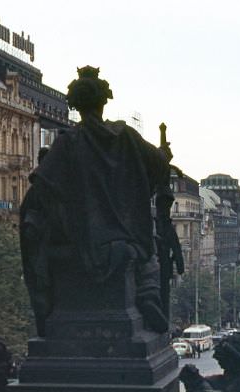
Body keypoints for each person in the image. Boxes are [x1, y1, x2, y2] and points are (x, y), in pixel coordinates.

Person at [20, 66, 171, 336]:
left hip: (81, 236)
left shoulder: (68, 142)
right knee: (149, 247)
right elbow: (159, 165)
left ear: (75, 105)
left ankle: (48, 308)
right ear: (103, 102)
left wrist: (60, 219)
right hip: (124, 234)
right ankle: (148, 295)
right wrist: (163, 153)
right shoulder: (124, 135)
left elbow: (42, 187)